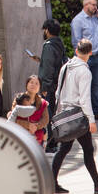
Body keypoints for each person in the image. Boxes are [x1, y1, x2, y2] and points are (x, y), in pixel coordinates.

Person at [50, 39, 98, 194]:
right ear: (90, 53)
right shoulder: (85, 72)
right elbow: (84, 99)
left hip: (65, 113)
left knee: (64, 149)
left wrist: (59, 111)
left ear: (76, 50)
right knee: (87, 149)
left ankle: (52, 183)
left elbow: (57, 92)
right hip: (78, 115)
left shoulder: (65, 66)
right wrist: (91, 120)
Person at [71, 0, 98, 120]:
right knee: (83, 86)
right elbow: (76, 41)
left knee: (96, 85)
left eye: (96, 5)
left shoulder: (96, 18)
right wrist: (80, 57)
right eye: (93, 5)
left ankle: (97, 111)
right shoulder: (78, 20)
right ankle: (83, 113)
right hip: (85, 58)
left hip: (97, 57)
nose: (96, 7)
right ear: (86, 5)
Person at [36, 18, 67, 151]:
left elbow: (48, 68)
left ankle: (49, 144)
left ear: (47, 30)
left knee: (46, 116)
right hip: (57, 84)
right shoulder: (59, 43)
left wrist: (44, 88)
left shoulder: (48, 45)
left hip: (48, 86)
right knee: (54, 114)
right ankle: (54, 142)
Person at [9, 76, 50, 145]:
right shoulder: (19, 99)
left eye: (37, 83)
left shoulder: (42, 102)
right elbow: (13, 116)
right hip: (21, 135)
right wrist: (28, 125)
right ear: (26, 84)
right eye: (31, 82)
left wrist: (36, 126)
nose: (34, 85)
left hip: (37, 137)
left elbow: (45, 119)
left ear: (40, 87)